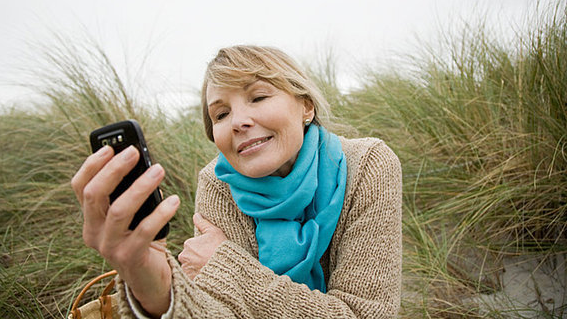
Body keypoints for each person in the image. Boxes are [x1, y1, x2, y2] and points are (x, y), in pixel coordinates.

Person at [71, 45, 402, 318]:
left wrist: (228, 267)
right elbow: (217, 312)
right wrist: (155, 286)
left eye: (258, 97)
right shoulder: (218, 185)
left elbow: (365, 314)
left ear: (306, 106)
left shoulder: (368, 164)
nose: (239, 122)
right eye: (221, 114)